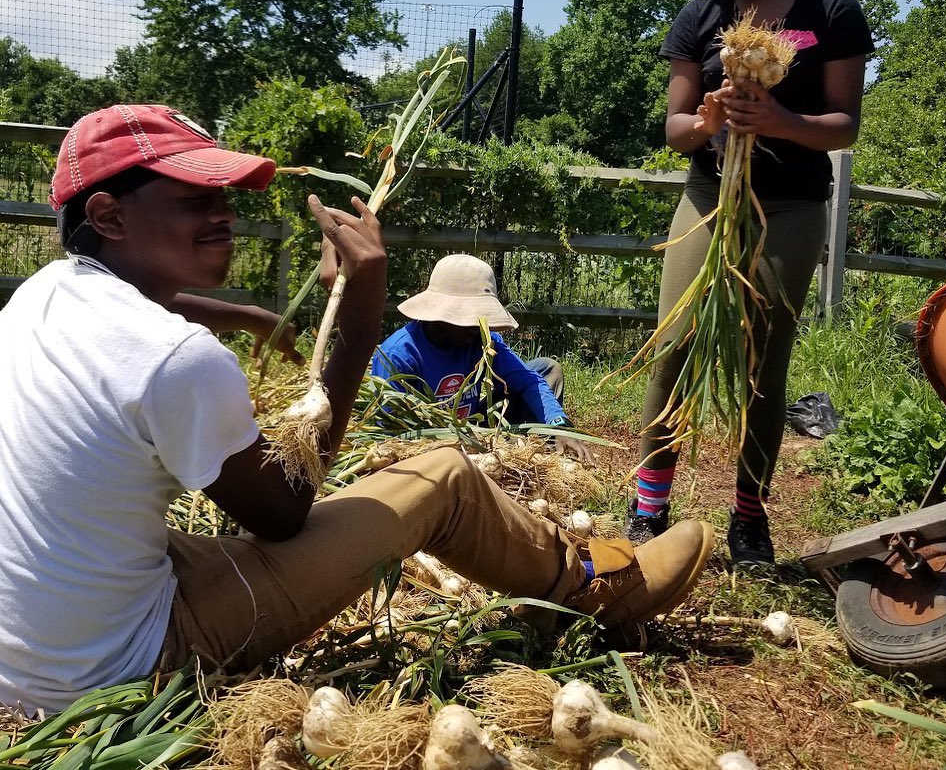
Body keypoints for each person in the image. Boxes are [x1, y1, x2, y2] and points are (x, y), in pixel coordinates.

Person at [0, 103, 715, 716]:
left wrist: (249, 314)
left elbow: (148, 310)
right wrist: (360, 322)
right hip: (114, 668)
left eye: (224, 197)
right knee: (442, 478)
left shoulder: (42, 292)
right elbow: (284, 511)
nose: (225, 216)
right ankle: (593, 588)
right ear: (107, 213)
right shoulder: (176, 358)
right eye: (195, 200)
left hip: (31, 646)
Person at [623, 0, 874, 566]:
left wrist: (781, 121)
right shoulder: (701, 16)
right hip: (707, 199)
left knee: (765, 363)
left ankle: (750, 516)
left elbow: (844, 125)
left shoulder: (831, 10)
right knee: (672, 347)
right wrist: (703, 124)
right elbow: (673, 130)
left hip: (789, 207)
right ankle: (648, 505)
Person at [369, 254, 593, 461]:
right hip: (435, 445)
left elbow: (528, 380)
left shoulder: (482, 340)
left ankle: (539, 444)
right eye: (471, 320)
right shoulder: (399, 356)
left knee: (546, 369)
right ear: (440, 315)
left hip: (480, 422)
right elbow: (392, 436)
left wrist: (559, 425)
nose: (479, 328)